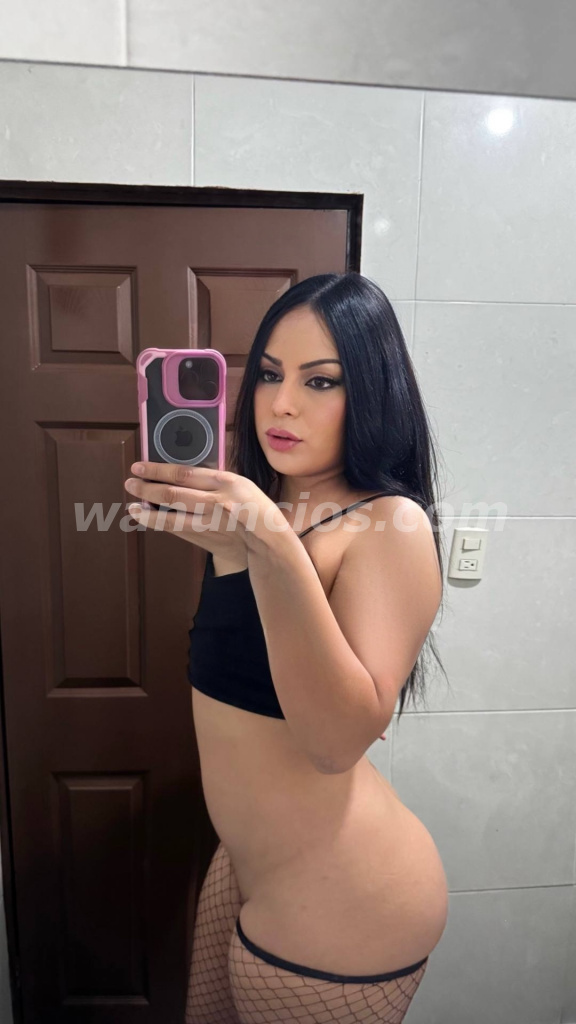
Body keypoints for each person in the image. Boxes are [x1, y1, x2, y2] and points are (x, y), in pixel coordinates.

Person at [125, 272, 451, 1024]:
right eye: (270, 374)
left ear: (373, 394)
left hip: (346, 894)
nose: (281, 403)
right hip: (247, 863)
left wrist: (267, 540)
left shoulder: (389, 524)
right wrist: (237, 547)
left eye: (321, 381)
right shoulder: (271, 511)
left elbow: (335, 743)